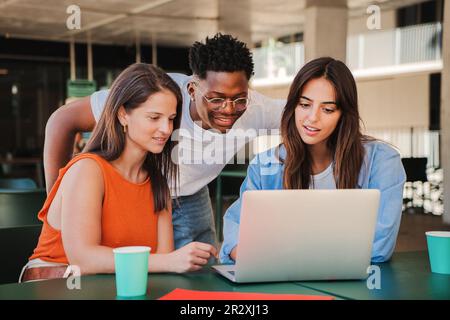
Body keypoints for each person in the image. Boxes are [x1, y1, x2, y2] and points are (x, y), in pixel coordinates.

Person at [43, 33, 284, 249]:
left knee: (198, 276)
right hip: (136, 192)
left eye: (239, 99)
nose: (229, 109)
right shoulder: (159, 94)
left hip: (190, 193)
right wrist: (59, 201)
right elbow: (62, 120)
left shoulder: (257, 108)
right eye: (216, 99)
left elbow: (308, 118)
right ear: (191, 90)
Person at [20, 63, 217, 282]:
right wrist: (171, 261)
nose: (166, 129)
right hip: (57, 284)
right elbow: (84, 259)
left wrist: (177, 261)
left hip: (115, 284)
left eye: (171, 119)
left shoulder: (159, 182)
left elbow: (160, 264)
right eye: (154, 118)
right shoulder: (87, 169)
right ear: (123, 115)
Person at [220, 57, 406, 264]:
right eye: (305, 104)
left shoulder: (382, 162)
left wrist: (281, 252)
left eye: (327, 109)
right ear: (293, 106)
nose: (312, 118)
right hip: (282, 280)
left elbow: (379, 247)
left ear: (344, 114)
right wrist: (246, 251)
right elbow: (236, 230)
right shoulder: (266, 165)